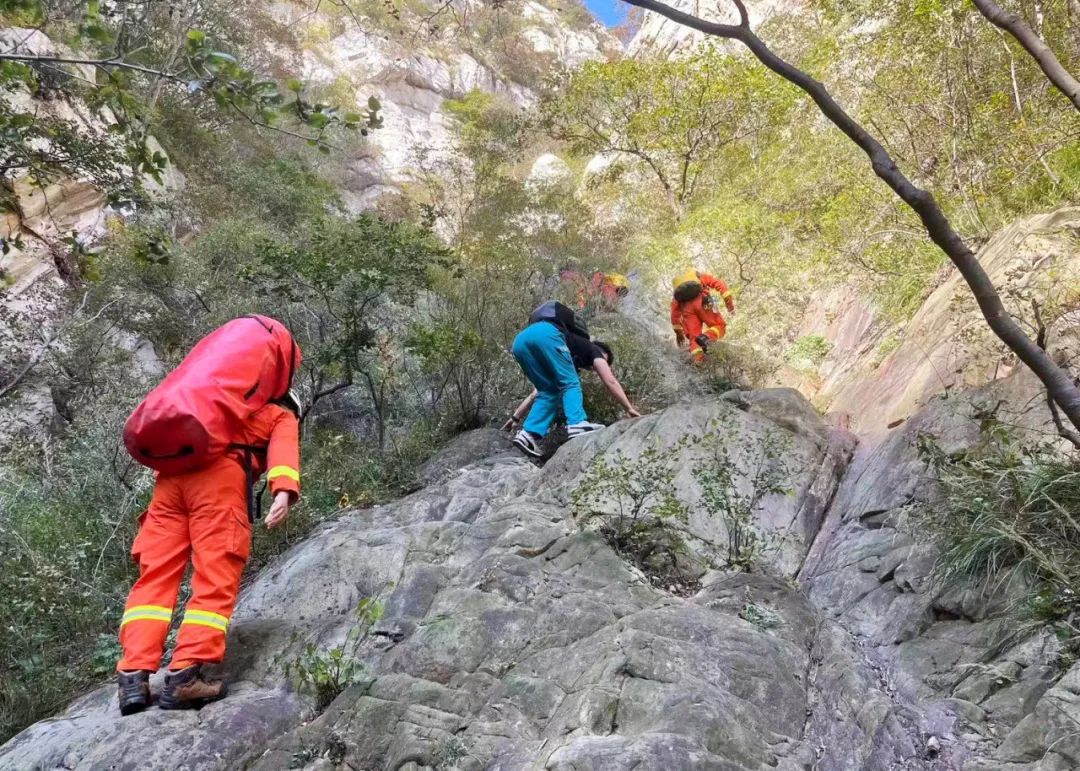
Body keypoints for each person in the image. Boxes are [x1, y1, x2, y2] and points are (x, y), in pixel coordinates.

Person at [116, 391, 301, 714]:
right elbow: (283, 451)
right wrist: (283, 492)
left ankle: (133, 678)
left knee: (154, 579)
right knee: (215, 575)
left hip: (170, 484)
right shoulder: (279, 414)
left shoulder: (215, 405)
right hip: (217, 483)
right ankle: (184, 677)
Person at [503, 301, 640, 457]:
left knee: (549, 391)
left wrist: (515, 417)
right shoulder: (593, 349)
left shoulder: (567, 358)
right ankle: (576, 423)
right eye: (604, 361)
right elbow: (611, 381)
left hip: (520, 342)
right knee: (571, 383)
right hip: (546, 334)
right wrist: (629, 408)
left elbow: (534, 394)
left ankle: (528, 435)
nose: (597, 367)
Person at [670, 268, 736, 364]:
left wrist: (678, 332)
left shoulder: (679, 294)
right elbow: (719, 284)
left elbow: (674, 313)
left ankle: (698, 361)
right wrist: (729, 303)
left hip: (687, 310)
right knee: (720, 326)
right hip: (704, 302)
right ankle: (706, 337)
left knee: (694, 338)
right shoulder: (700, 276)